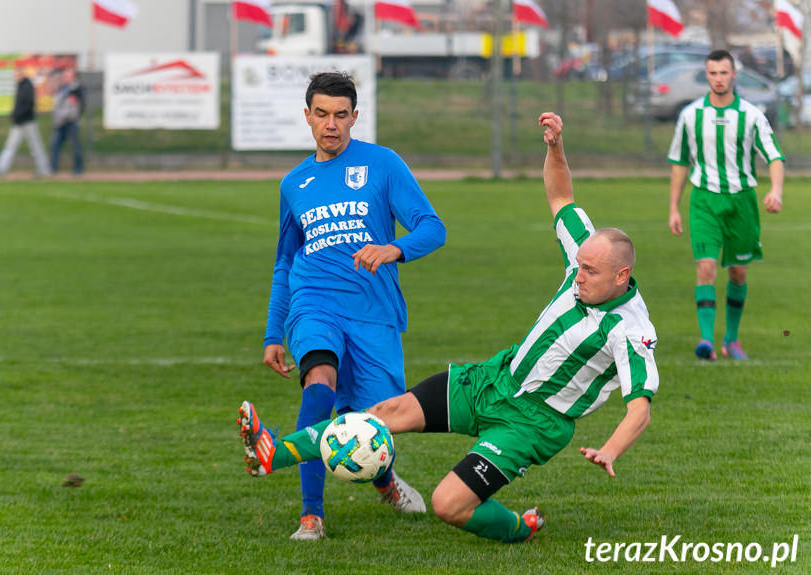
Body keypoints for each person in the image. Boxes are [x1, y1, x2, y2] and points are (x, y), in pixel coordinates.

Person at [240, 111, 659, 543]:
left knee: (448, 505)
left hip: (533, 423)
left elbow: (639, 408)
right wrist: (555, 147)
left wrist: (610, 449)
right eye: (581, 265)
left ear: (621, 277)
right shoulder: (586, 256)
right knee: (379, 415)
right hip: (494, 379)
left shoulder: (630, 330)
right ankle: (274, 454)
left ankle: (519, 529)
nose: (580, 274)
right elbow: (561, 197)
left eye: (590, 272)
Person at [259, 72, 447, 540]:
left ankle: (384, 481)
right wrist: (272, 333)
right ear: (307, 117)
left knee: (371, 424)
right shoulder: (294, 183)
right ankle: (311, 515)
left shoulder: (383, 165)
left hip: (372, 310)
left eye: (341, 115)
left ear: (355, 117)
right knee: (318, 384)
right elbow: (284, 263)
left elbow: (433, 227)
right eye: (321, 114)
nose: (331, 124)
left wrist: (394, 249)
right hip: (313, 301)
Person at [667, 49, 785, 361]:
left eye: (724, 73)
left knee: (737, 273)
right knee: (705, 267)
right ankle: (706, 341)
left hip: (741, 201)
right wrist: (674, 208)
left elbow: (773, 156)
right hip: (704, 199)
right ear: (706, 75)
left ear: (734, 75)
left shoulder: (751, 115)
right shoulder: (691, 115)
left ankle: (731, 340)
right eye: (713, 73)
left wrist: (776, 190)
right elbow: (679, 162)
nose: (718, 79)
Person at [0, 67, 50, 177]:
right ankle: (0, 168)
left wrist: (17, 115)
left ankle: (44, 169)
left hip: (28, 121)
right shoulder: (20, 86)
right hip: (19, 122)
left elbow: (28, 105)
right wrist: (14, 115)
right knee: (10, 146)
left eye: (18, 74)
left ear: (22, 74)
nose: (16, 77)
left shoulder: (27, 86)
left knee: (36, 146)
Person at [50, 67, 85, 175]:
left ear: (73, 77)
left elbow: (79, 105)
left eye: (68, 76)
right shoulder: (61, 88)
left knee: (75, 146)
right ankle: (53, 168)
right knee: (55, 145)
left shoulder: (76, 89)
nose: (66, 78)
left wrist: (76, 117)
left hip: (71, 121)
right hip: (60, 122)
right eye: (65, 76)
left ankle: (78, 169)